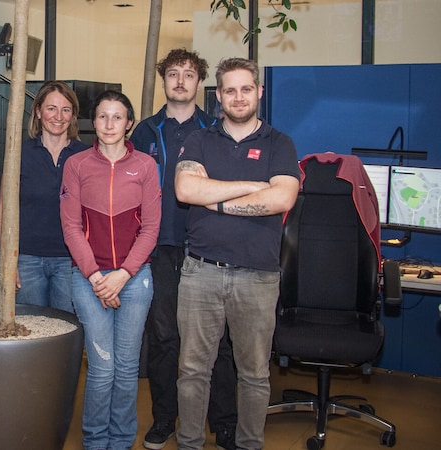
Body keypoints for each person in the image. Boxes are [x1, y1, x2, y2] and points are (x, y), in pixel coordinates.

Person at [173, 58, 300, 450]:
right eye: (230, 90)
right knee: (192, 371)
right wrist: (248, 186)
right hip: (200, 274)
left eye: (246, 89)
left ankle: (249, 445)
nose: (239, 97)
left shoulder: (280, 143)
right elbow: (186, 191)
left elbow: (282, 197)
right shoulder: (199, 140)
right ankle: (189, 443)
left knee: (254, 375)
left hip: (258, 278)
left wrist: (218, 196)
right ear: (219, 96)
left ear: (259, 92)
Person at [129, 48, 238, 450]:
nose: (180, 81)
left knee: (217, 342)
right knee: (163, 339)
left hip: (205, 250)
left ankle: (224, 423)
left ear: (199, 82)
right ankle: (164, 420)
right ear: (163, 80)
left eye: (188, 74)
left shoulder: (216, 128)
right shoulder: (143, 131)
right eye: (172, 73)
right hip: (157, 250)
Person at [60, 90, 161, 450]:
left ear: (129, 123)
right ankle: (95, 441)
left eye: (117, 117)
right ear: (93, 122)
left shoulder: (147, 166)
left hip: (134, 280)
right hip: (90, 279)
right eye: (102, 116)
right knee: (102, 369)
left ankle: (120, 442)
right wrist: (96, 276)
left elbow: (151, 229)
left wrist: (124, 274)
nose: (109, 124)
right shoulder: (77, 165)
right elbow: (71, 227)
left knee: (127, 367)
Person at [0, 80, 89, 313]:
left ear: (72, 115)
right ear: (38, 111)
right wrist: (7, 261)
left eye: (65, 109)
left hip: (71, 261)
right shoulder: (19, 153)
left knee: (67, 332)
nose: (58, 116)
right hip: (27, 259)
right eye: (51, 108)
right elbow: (3, 208)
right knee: (30, 332)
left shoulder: (85, 157)